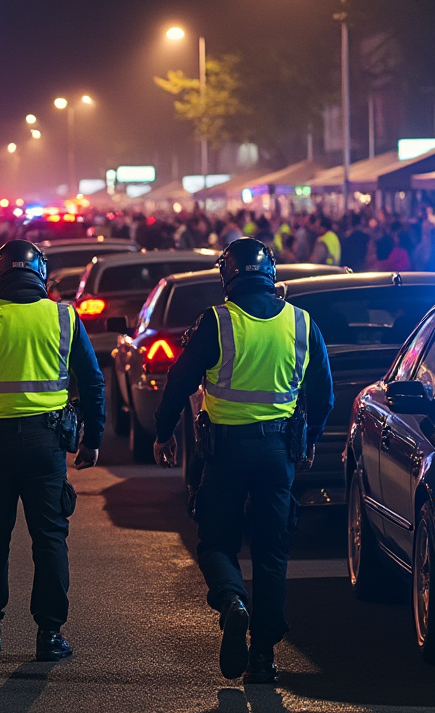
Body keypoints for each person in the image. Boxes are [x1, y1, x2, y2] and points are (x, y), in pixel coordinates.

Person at [151, 238, 333, 684]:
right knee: (272, 553)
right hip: (278, 454)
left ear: (227, 275)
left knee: (216, 543)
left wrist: (163, 433)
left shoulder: (217, 321)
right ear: (271, 272)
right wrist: (308, 439)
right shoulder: (302, 322)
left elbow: (178, 381)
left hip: (226, 453)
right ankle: (264, 657)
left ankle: (233, 602)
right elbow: (324, 395)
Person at [0, 240, 105, 662]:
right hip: (48, 447)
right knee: (49, 538)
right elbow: (92, 381)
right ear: (42, 273)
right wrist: (92, 439)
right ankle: (49, 634)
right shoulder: (64, 316)